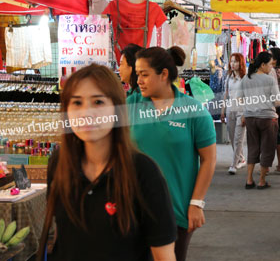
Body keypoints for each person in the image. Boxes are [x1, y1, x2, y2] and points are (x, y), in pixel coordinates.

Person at [38, 64, 177, 261]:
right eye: (77, 103)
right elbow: (65, 238)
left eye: (98, 102)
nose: (86, 113)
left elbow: (164, 256)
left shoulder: (143, 172)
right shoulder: (59, 163)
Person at [128, 47, 217, 261]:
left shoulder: (193, 111)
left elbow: (208, 159)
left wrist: (197, 203)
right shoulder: (129, 106)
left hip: (176, 211)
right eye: (137, 74)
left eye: (144, 74)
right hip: (133, 210)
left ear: (164, 74)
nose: (139, 80)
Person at [239, 51, 280, 190]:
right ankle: (262, 181)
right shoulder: (269, 79)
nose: (271, 68)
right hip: (267, 118)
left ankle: (249, 180)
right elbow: (277, 101)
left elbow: (240, 98)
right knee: (267, 149)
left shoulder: (246, 78)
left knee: (252, 148)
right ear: (263, 64)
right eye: (270, 65)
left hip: (250, 118)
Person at [220, 53, 247, 175]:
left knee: (238, 139)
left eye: (235, 61)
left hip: (241, 110)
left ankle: (234, 164)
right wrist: (222, 110)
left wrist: (245, 114)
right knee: (232, 137)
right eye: (231, 61)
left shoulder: (245, 78)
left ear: (240, 63)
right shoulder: (229, 77)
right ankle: (241, 158)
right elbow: (226, 94)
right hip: (230, 109)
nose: (233, 64)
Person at [269, 47, 280, 175]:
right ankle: (279, 165)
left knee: (275, 138)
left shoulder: (275, 72)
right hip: (279, 109)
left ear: (274, 59)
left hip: (275, 109)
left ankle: (279, 165)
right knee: (278, 137)